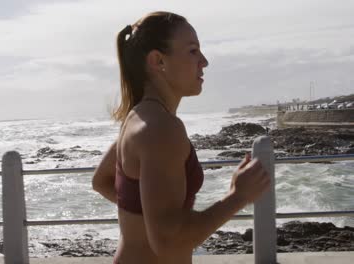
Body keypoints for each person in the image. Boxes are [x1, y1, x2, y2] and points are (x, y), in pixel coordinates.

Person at [92, 11, 270, 264]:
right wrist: (238, 196)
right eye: (193, 51)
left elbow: (101, 181)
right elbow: (167, 243)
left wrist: (144, 218)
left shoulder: (138, 117)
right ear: (158, 61)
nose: (204, 61)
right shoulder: (161, 129)